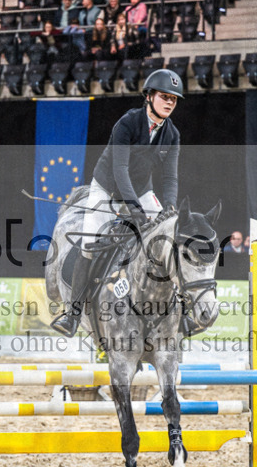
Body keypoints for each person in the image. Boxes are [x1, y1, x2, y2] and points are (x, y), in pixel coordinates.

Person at [51, 69, 184, 336]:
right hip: (107, 188)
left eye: (174, 98)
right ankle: (73, 314)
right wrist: (133, 207)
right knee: (90, 244)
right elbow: (120, 169)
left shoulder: (172, 134)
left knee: (168, 239)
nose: (170, 102)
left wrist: (170, 208)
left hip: (141, 189)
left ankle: (181, 310)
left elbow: (170, 177)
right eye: (164, 96)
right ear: (149, 96)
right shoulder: (127, 123)